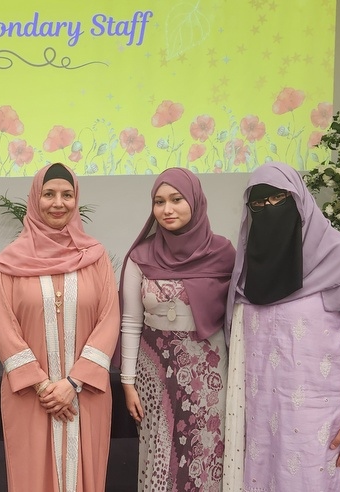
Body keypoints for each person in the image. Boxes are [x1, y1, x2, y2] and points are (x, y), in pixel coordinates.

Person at [222, 162, 340, 491]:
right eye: (259, 203)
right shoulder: (248, 271)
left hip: (324, 425)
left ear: (300, 200)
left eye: (278, 199)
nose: (269, 208)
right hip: (261, 423)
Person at [0, 162, 120, 491]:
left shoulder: (96, 257)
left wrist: (73, 383)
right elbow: (3, 327)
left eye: (67, 195)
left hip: (86, 393)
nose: (58, 203)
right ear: (36, 198)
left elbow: (109, 320)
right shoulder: (10, 261)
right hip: (31, 397)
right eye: (49, 194)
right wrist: (44, 387)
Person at [118, 167, 235, 491]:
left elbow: (236, 319)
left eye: (176, 199)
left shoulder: (223, 254)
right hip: (154, 371)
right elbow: (131, 321)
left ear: (195, 201)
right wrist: (127, 382)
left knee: (205, 451)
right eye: (159, 202)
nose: (167, 209)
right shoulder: (140, 256)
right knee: (160, 454)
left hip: (208, 373)